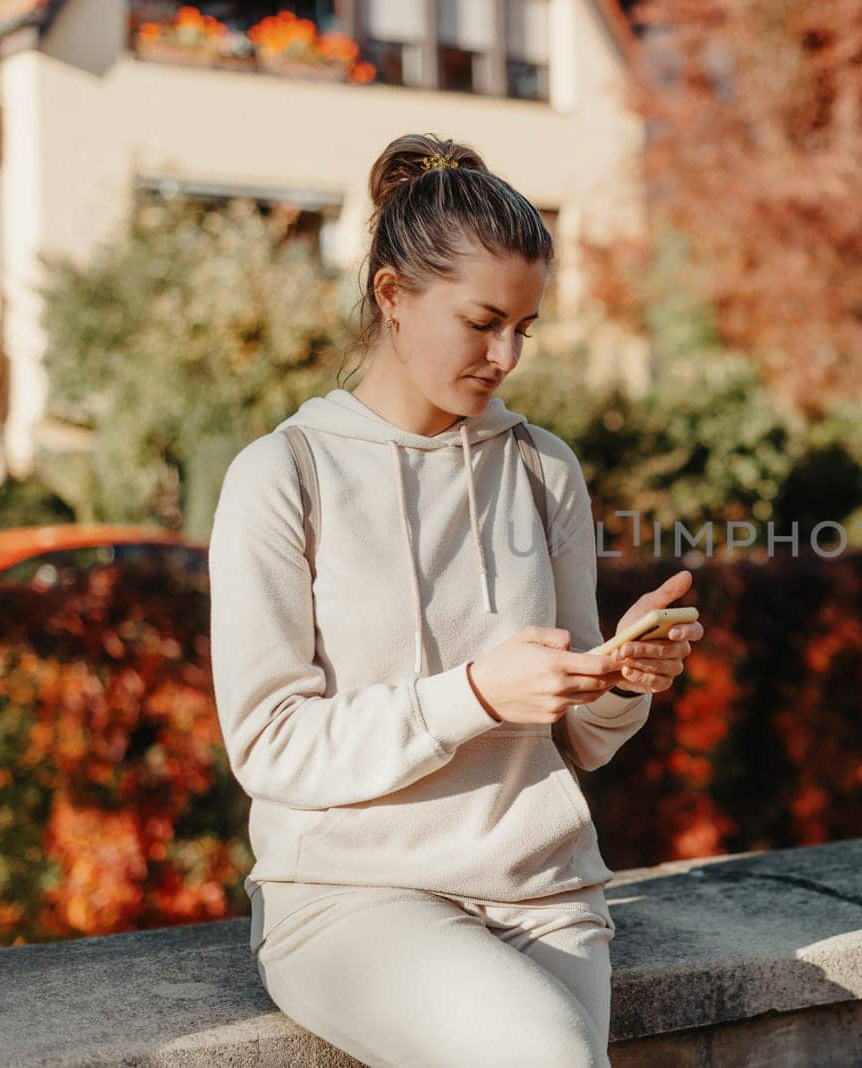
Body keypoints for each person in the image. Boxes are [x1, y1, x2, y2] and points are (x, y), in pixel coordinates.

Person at [207, 132, 704, 1067]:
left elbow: (587, 739)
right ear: (393, 296)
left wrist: (622, 676)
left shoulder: (542, 468)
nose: (506, 355)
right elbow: (269, 744)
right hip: (352, 900)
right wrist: (473, 695)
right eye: (482, 321)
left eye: (525, 327)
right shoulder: (286, 475)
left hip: (548, 895)